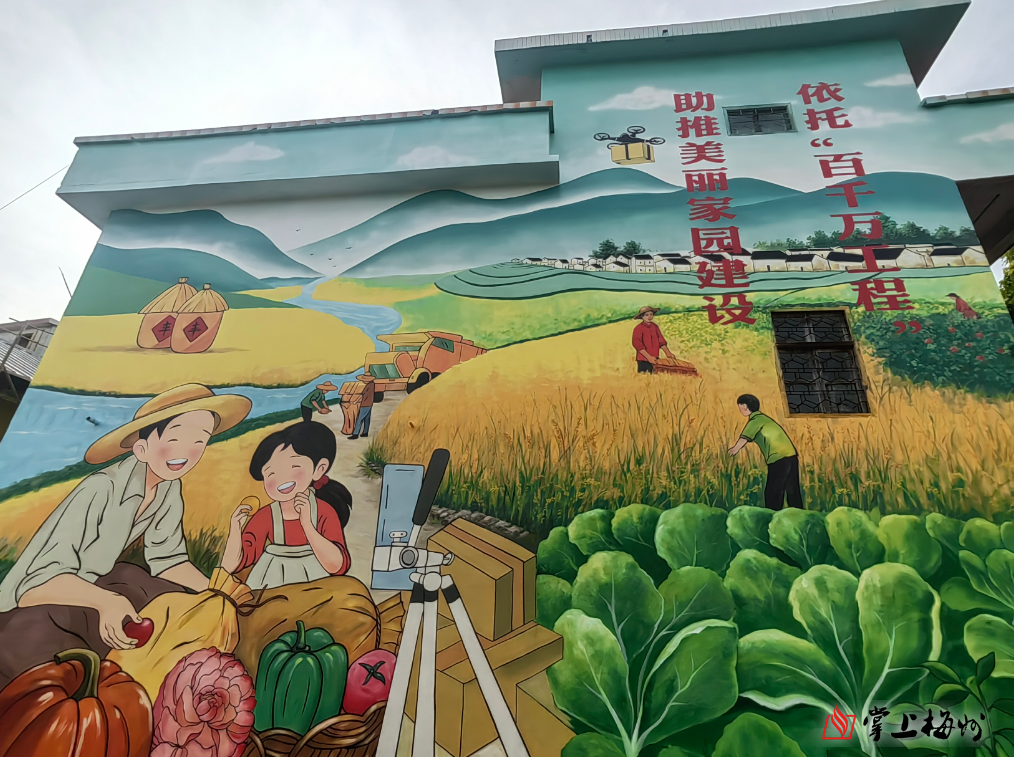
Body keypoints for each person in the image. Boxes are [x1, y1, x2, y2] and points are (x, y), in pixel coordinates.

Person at [0, 383, 252, 689]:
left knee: (156, 589)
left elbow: (168, 560)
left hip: (93, 589)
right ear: (141, 448)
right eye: (174, 439)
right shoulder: (101, 488)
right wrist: (106, 601)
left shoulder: (167, 487)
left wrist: (219, 592)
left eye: (199, 441)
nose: (186, 452)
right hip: (33, 607)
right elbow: (35, 586)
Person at [221, 421, 352, 589]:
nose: (282, 478)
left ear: (319, 469)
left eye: (294, 466)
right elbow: (231, 566)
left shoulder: (324, 512)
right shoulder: (266, 516)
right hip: (271, 588)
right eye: (271, 473)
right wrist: (235, 528)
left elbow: (338, 566)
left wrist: (307, 525)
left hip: (316, 589)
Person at [727, 394, 802, 511]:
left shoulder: (755, 420)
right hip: (791, 455)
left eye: (740, 406)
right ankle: (799, 515)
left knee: (773, 491)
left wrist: (734, 449)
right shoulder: (764, 419)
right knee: (792, 489)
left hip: (778, 457)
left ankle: (772, 515)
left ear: (745, 406)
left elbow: (744, 437)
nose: (740, 409)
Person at [632, 306, 676, 373]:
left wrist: (668, 353)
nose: (649, 316)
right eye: (647, 315)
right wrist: (649, 357)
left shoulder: (655, 327)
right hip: (643, 359)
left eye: (651, 314)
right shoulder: (638, 328)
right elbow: (638, 345)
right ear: (642, 317)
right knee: (644, 377)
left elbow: (661, 341)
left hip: (655, 358)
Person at [350, 373, 375, 440]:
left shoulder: (368, 386)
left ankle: (355, 434)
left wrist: (355, 401)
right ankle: (365, 432)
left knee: (360, 419)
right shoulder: (372, 384)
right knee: (367, 418)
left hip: (365, 404)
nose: (363, 381)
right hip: (370, 403)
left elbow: (362, 395)